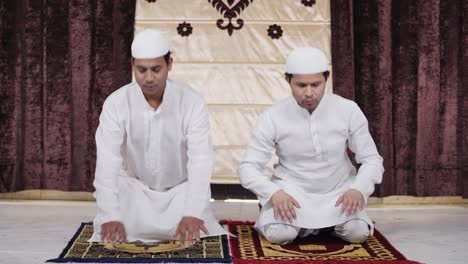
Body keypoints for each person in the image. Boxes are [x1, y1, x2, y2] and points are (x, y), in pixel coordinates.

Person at [89, 29, 227, 245]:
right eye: (141, 70)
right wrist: (110, 214)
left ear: (169, 64)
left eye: (156, 69)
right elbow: (108, 161)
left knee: (194, 215)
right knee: (114, 206)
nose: (149, 78)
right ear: (132, 65)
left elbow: (200, 160)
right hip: (136, 190)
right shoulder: (116, 103)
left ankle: (169, 222)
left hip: (179, 193)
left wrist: (192, 211)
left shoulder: (192, 102)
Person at [238, 47, 384, 245]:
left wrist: (358, 189)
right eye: (301, 85)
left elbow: (371, 159)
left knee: (357, 233)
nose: (309, 93)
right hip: (292, 193)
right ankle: (305, 223)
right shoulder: (273, 116)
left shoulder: (348, 110)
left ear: (326, 79)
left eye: (316, 84)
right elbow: (247, 167)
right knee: (280, 235)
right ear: (287, 80)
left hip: (339, 191)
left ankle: (322, 225)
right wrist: (273, 193)